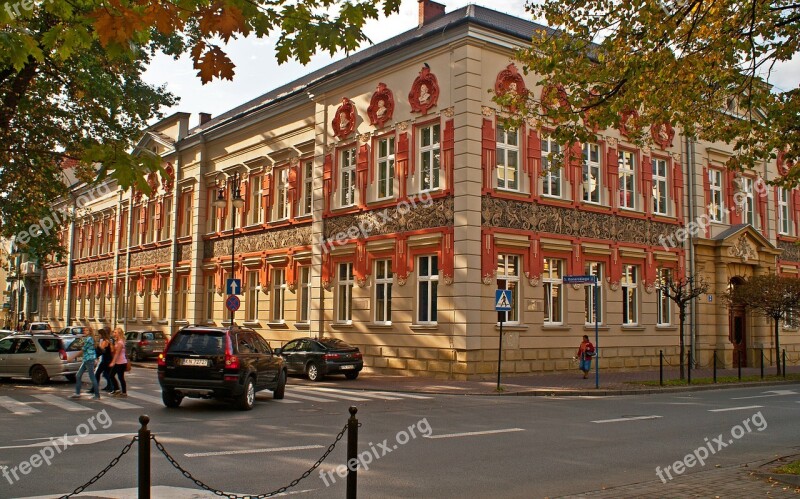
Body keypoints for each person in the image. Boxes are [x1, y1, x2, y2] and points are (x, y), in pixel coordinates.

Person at [70, 327, 100, 399]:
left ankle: (97, 395)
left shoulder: (89, 339)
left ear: (90, 332)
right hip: (86, 359)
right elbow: (79, 345)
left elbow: (82, 350)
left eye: (87, 330)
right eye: (84, 330)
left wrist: (71, 357)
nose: (85, 332)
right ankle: (77, 393)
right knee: (78, 375)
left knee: (92, 377)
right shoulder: (87, 338)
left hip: (89, 359)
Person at [109, 327, 128, 397]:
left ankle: (124, 392)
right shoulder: (117, 341)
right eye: (114, 332)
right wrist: (112, 344)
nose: (114, 334)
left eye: (115, 332)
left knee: (121, 377)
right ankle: (116, 389)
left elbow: (117, 353)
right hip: (117, 362)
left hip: (121, 362)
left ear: (119, 334)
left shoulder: (120, 342)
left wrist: (113, 362)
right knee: (111, 375)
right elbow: (113, 351)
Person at [94, 328, 114, 393]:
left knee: (98, 373)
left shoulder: (105, 341)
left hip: (106, 361)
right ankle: (110, 387)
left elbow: (101, 351)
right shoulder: (107, 340)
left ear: (101, 334)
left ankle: (111, 387)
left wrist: (95, 356)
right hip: (108, 359)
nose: (98, 336)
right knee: (106, 374)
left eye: (98, 334)